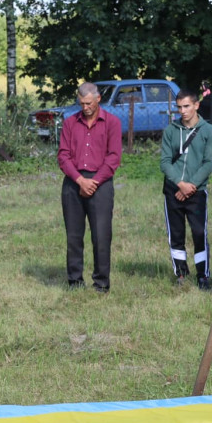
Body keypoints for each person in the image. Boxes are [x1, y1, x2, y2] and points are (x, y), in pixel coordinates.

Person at [58, 81, 122, 292]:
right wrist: (79, 180)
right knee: (74, 235)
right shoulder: (70, 123)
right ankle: (75, 281)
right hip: (73, 183)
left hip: (100, 183)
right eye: (81, 103)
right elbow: (63, 156)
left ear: (98, 100)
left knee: (101, 235)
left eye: (88, 103)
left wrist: (94, 181)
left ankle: (101, 283)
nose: (85, 108)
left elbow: (113, 157)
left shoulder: (112, 122)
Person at [160, 89, 212, 289]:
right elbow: (165, 162)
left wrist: (190, 186)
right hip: (173, 190)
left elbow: (209, 163)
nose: (182, 111)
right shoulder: (170, 130)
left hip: (197, 192)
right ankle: (181, 274)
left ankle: (203, 275)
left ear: (196, 105)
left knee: (198, 232)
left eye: (186, 106)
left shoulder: (209, 131)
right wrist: (180, 183)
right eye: (179, 107)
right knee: (175, 233)